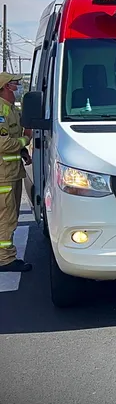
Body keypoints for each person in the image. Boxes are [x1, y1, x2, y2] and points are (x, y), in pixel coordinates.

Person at [0, 72, 31, 272]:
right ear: (4, 87)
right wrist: (25, 141)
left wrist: (22, 152)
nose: (17, 87)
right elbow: (2, 142)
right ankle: (5, 259)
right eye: (14, 83)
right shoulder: (1, 110)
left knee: (9, 214)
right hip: (3, 175)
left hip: (12, 171)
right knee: (6, 216)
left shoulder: (12, 109)